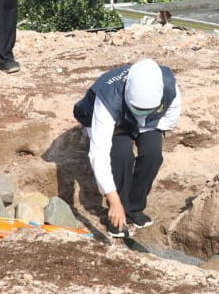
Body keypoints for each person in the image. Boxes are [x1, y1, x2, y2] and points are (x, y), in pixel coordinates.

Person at [73, 58, 181, 237]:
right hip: (116, 120)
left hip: (150, 122)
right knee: (121, 155)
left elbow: (169, 120)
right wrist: (113, 200)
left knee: (152, 155)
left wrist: (140, 127)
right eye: (138, 108)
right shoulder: (107, 99)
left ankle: (134, 208)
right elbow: (99, 154)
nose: (141, 112)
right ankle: (117, 213)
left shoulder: (171, 89)